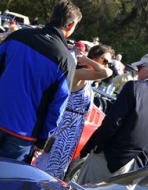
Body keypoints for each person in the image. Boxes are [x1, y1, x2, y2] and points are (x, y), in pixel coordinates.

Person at [0, 0, 80, 161]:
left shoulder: (18, 36)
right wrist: (43, 139)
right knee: (7, 181)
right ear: (70, 26)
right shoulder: (66, 60)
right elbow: (58, 106)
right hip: (25, 132)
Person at [76, 53, 148, 184]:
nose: (137, 71)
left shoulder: (134, 87)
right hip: (134, 172)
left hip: (108, 159)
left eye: (140, 67)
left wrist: (94, 146)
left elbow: (112, 123)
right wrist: (144, 173)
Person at [34, 44, 113, 180]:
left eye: (109, 63)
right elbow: (106, 73)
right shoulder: (79, 73)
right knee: (51, 167)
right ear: (94, 57)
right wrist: (86, 60)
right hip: (65, 128)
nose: (107, 65)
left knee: (58, 167)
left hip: (72, 129)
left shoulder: (87, 78)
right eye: (104, 61)